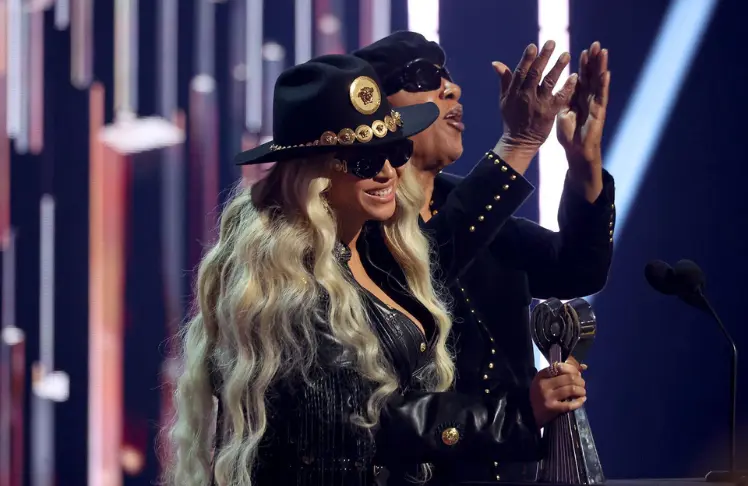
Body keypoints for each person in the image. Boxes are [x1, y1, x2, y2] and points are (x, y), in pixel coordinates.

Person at [162, 54, 584, 486]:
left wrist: (573, 163)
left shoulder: (374, 252)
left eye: (393, 149)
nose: (386, 170)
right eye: (362, 159)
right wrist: (515, 414)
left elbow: (453, 247)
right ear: (313, 172)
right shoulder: (284, 281)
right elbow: (366, 415)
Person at [354, 32, 615, 482]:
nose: (451, 90)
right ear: (378, 113)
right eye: (423, 78)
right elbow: (425, 267)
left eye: (449, 79)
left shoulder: (478, 209)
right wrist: (520, 142)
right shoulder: (360, 224)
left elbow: (578, 269)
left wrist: (584, 164)